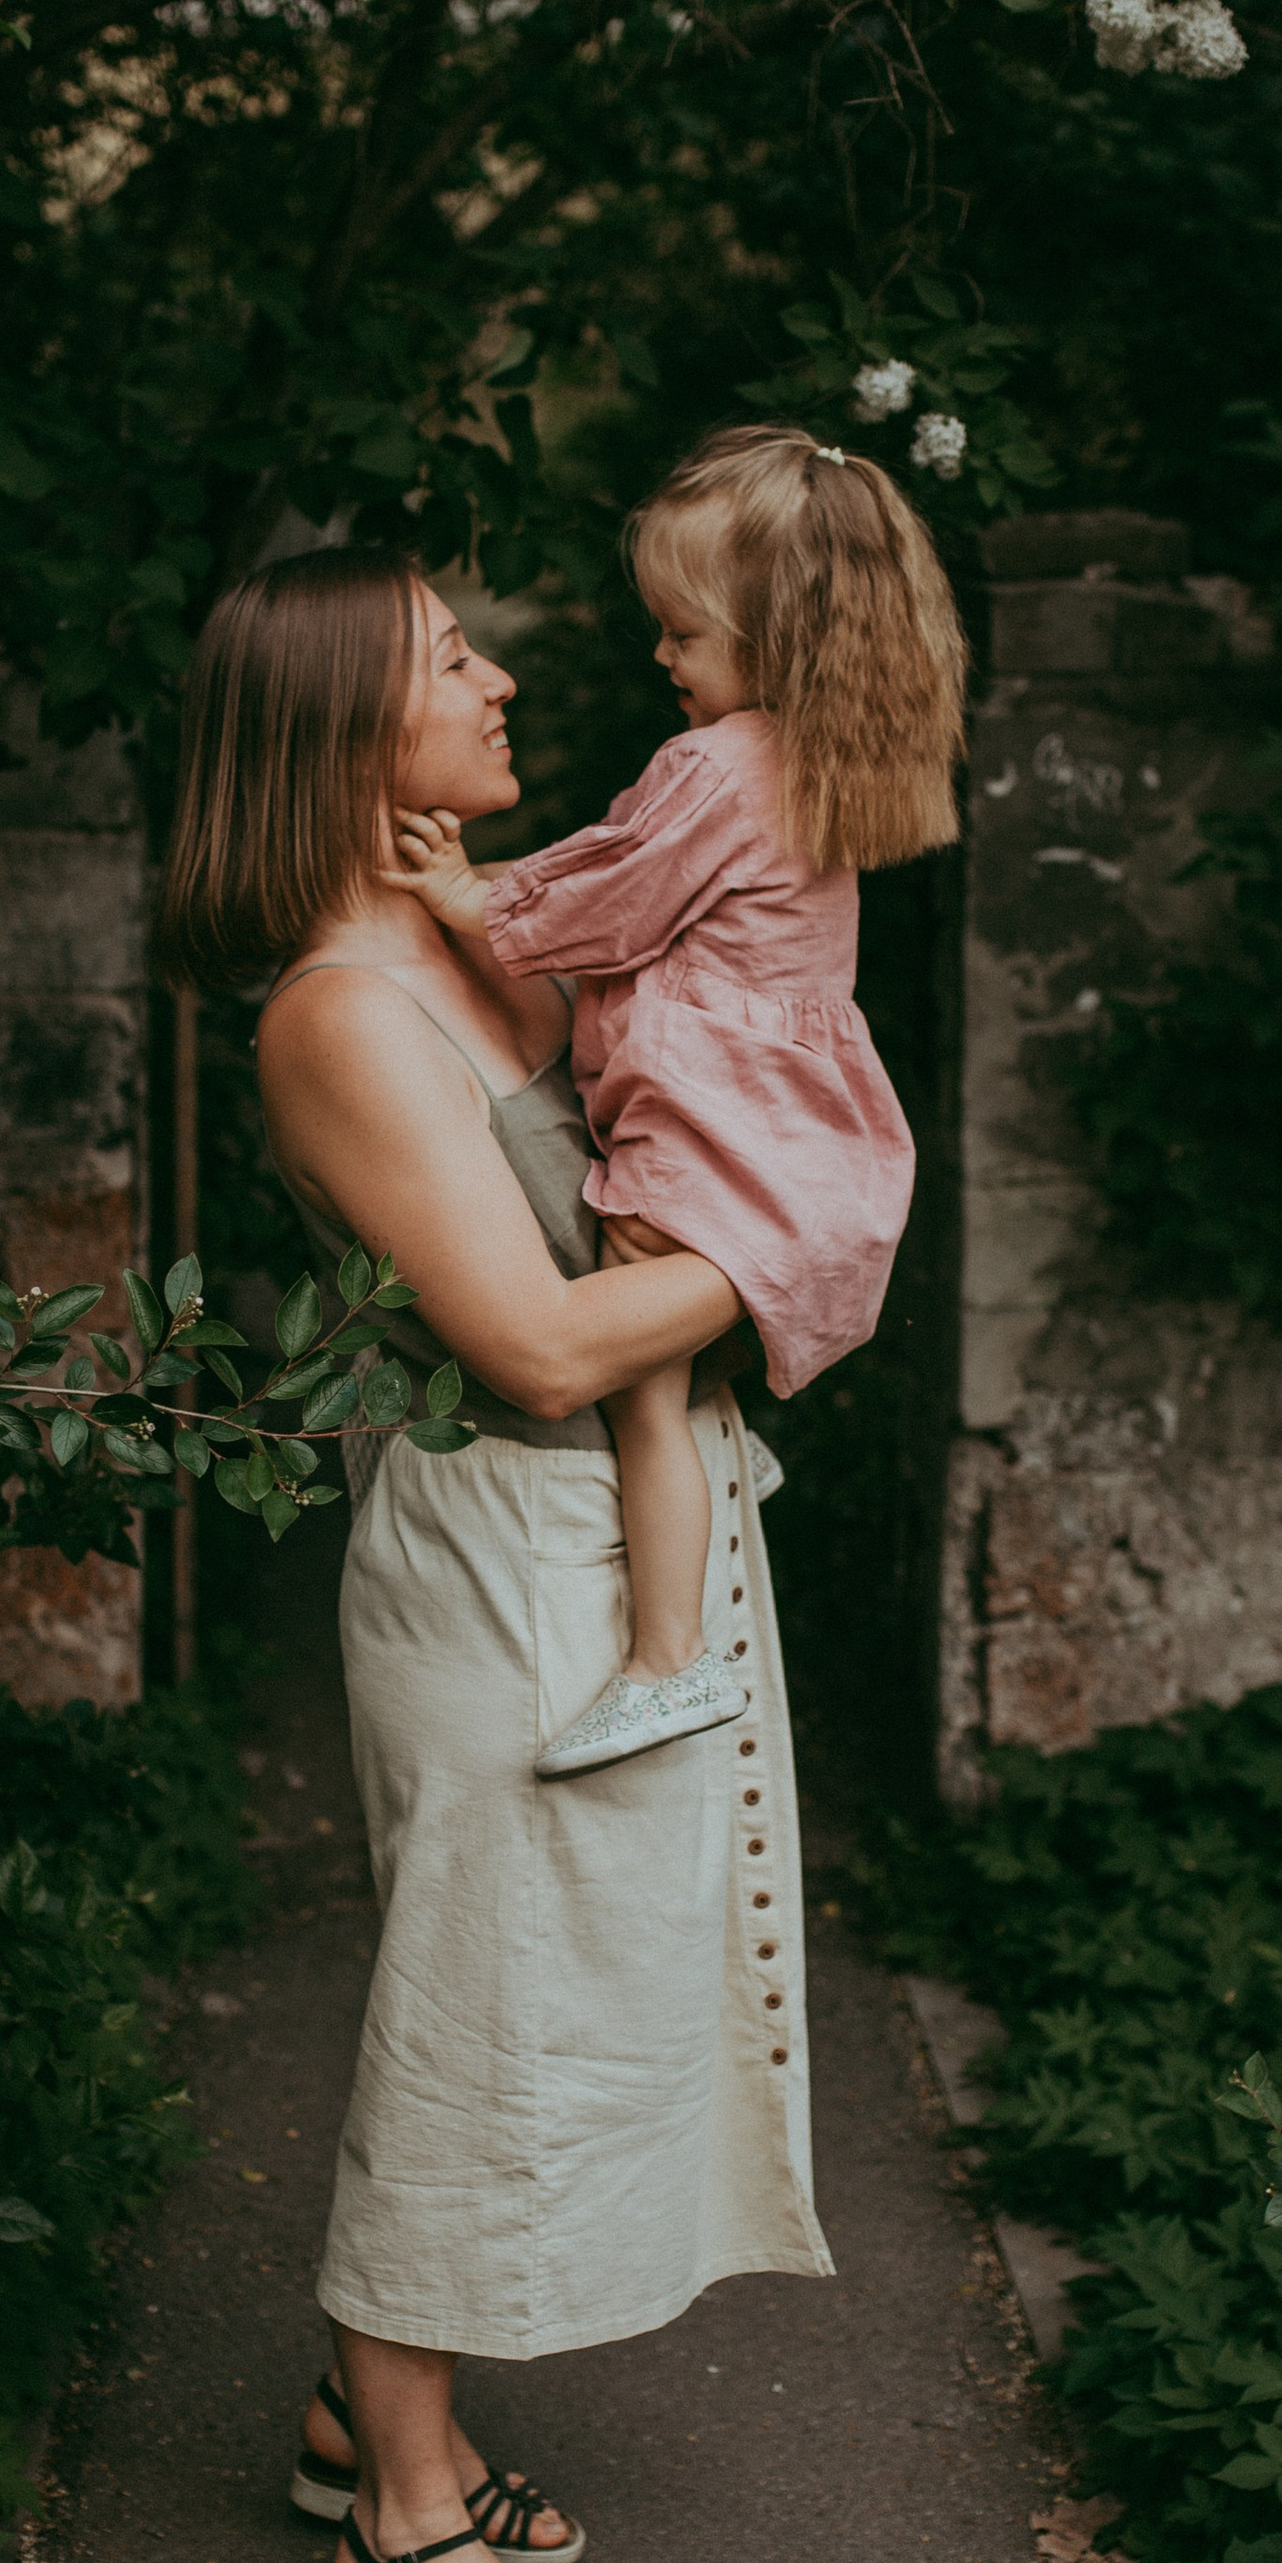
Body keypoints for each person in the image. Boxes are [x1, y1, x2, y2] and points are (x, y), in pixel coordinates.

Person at [153, 539, 837, 2563]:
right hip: (494, 1567)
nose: (505, 674)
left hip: (619, 1543)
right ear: (350, 733)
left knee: (558, 2000)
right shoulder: (337, 1019)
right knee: (471, 2036)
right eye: (454, 662)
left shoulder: (502, 952)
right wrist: (806, 1253)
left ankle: (370, 2416)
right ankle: (401, 2534)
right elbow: (540, 1346)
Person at [387, 423, 965, 1777]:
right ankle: (708, 1483)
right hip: (792, 1119)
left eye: (684, 635)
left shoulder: (719, 768)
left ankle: (664, 1660)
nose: (662, 658)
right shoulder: (815, 760)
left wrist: (480, 901)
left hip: (720, 1123)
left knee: (636, 1388)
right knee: (672, 1379)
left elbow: (615, 892)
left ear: (772, 641)